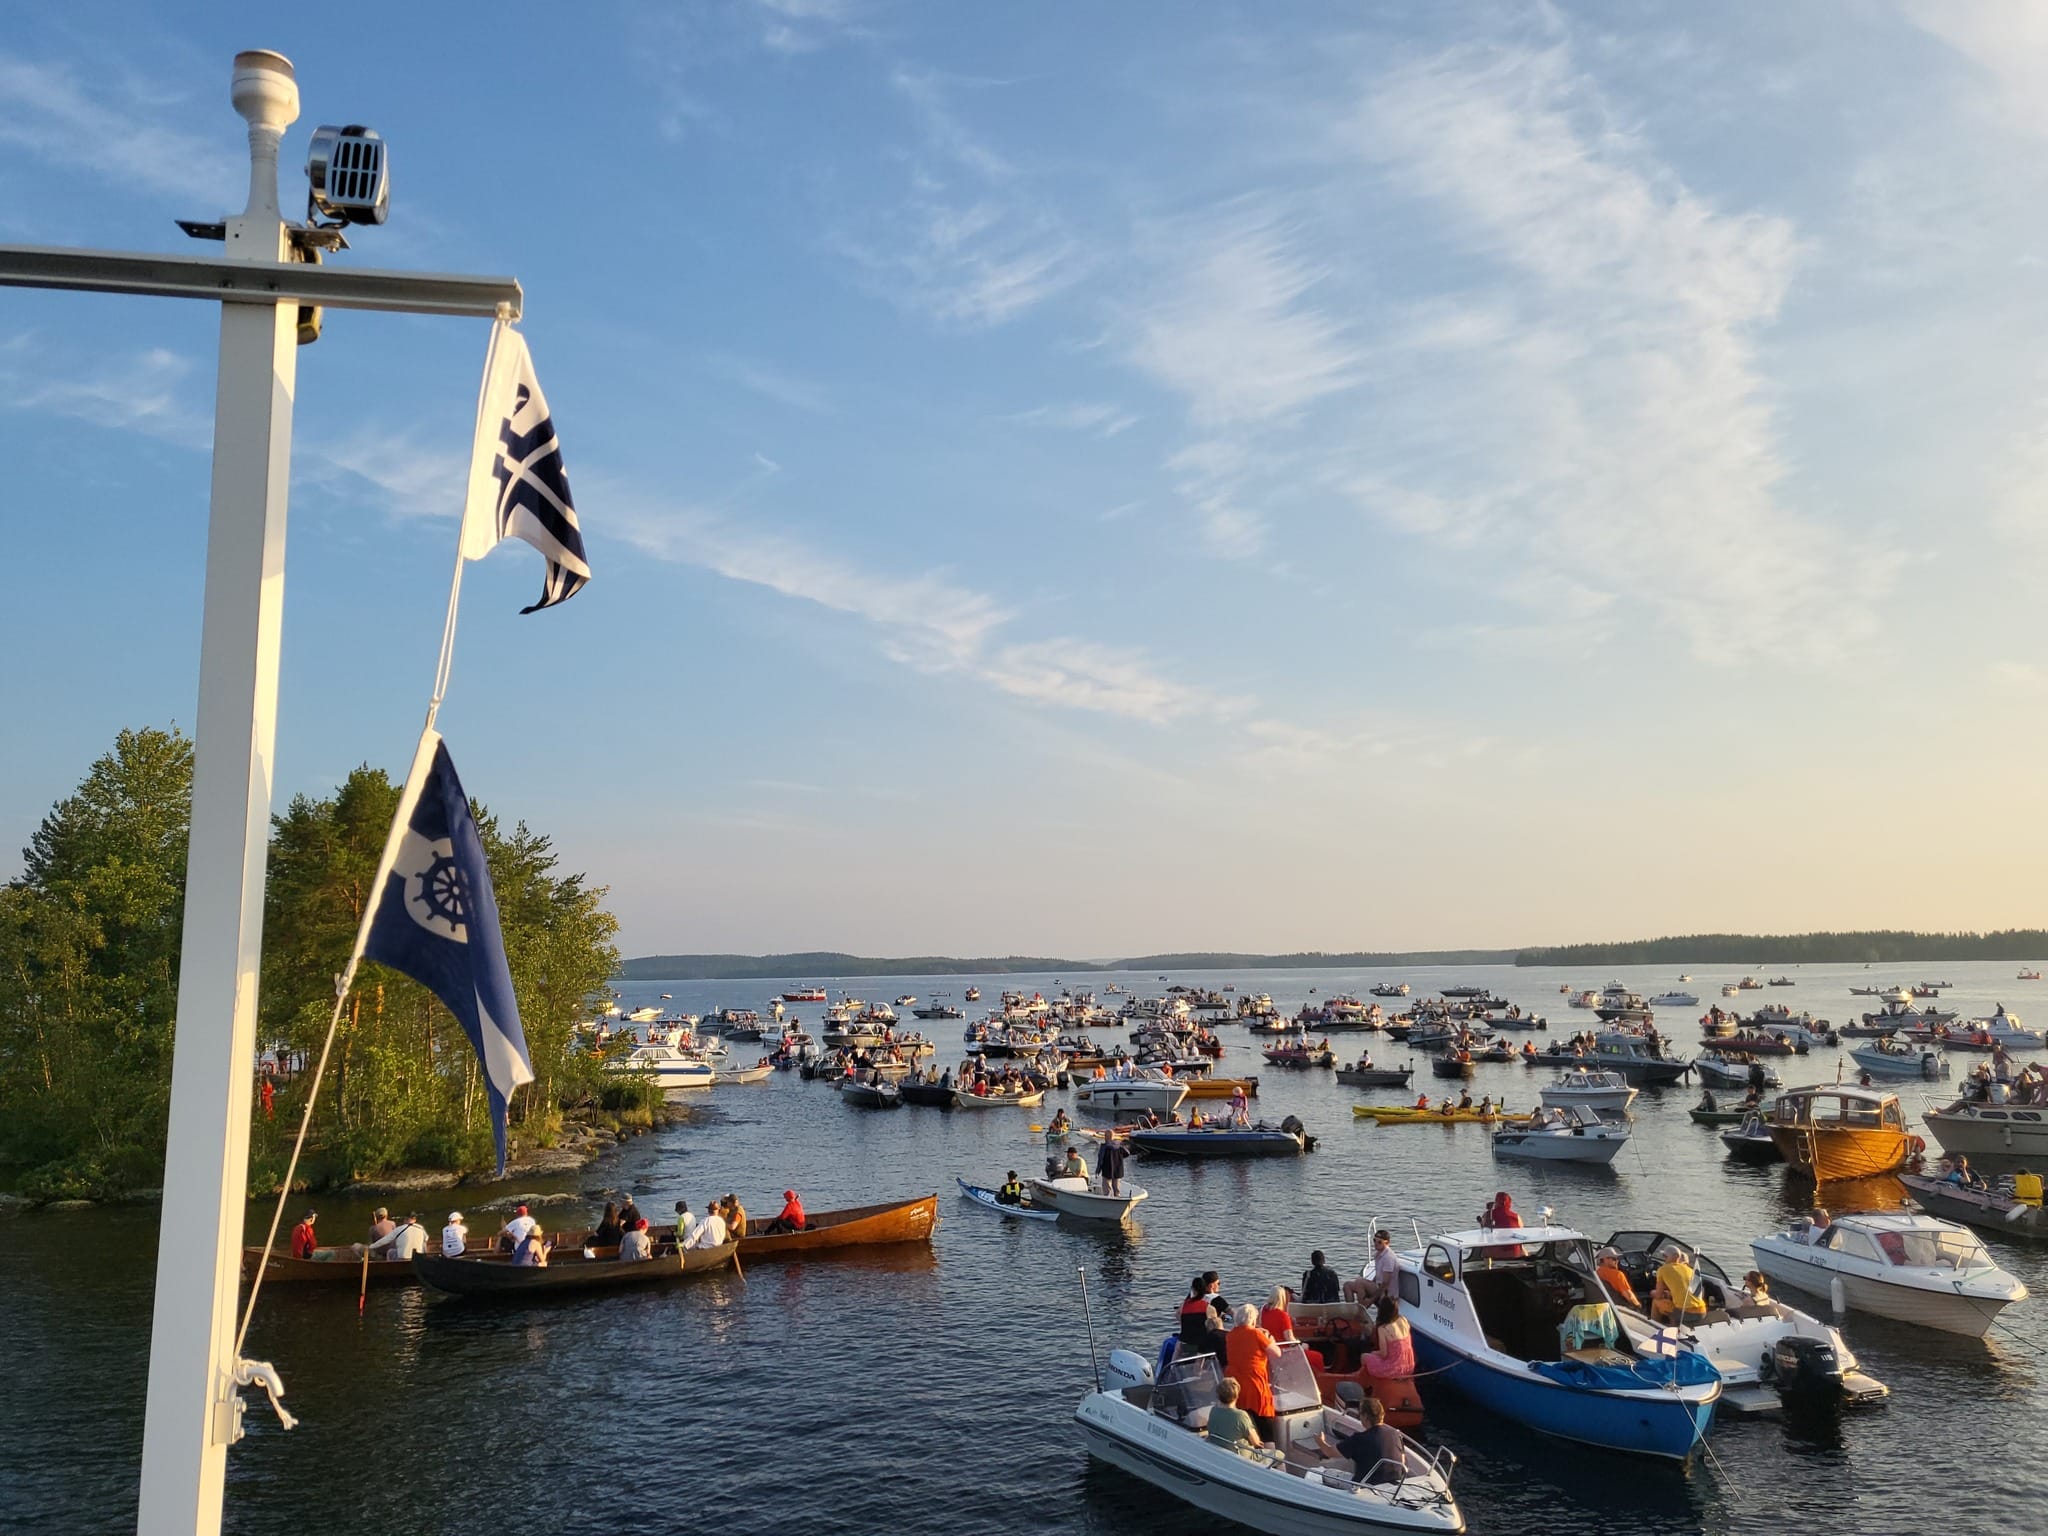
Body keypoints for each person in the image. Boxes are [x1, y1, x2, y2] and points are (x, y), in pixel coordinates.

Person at [1223, 1303, 1282, 1440]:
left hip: (1236, 1385)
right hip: (1255, 1384)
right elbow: (1276, 1353)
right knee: (1266, 1431)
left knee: (1245, 1425)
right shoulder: (1256, 1333)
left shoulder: (1230, 1336)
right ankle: (1272, 1457)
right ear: (1253, 1320)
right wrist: (1271, 1340)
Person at [1325, 1397, 1404, 1486]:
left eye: (1360, 1414)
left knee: (1325, 1474)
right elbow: (1402, 1460)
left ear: (1365, 1417)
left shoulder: (1359, 1438)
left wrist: (1320, 1440)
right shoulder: (1396, 1434)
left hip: (1365, 1487)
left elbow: (1329, 1453)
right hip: (1393, 1484)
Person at [1204, 1377, 1263, 1453]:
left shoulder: (1213, 1411)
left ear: (1218, 1395)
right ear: (1236, 1395)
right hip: (1241, 1455)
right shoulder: (1241, 1415)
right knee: (1279, 1454)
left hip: (1220, 1452)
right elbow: (1256, 1442)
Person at [1651, 1243, 1708, 1322]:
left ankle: (1654, 1325)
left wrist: (1653, 1293)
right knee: (1674, 1305)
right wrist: (1668, 1293)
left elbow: (1658, 1295)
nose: (1664, 1258)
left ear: (1671, 1257)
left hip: (1686, 1314)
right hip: (1702, 1312)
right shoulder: (1690, 1270)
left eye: (1665, 1256)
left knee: (1656, 1302)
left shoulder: (1662, 1269)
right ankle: (1674, 1325)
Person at [1177, 1273, 1228, 1360]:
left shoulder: (1183, 1306)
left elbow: (1178, 1318)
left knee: (1177, 1346)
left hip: (1186, 1344)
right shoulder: (1209, 1308)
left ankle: (1172, 1367)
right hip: (1202, 1346)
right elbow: (1216, 1329)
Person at [1363, 1296, 1414, 1382]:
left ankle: (1368, 1385)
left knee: (1364, 1357)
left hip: (1394, 1368)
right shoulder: (1404, 1320)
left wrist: (1373, 1353)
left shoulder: (1383, 1329)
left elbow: (1384, 1354)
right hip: (1409, 1365)